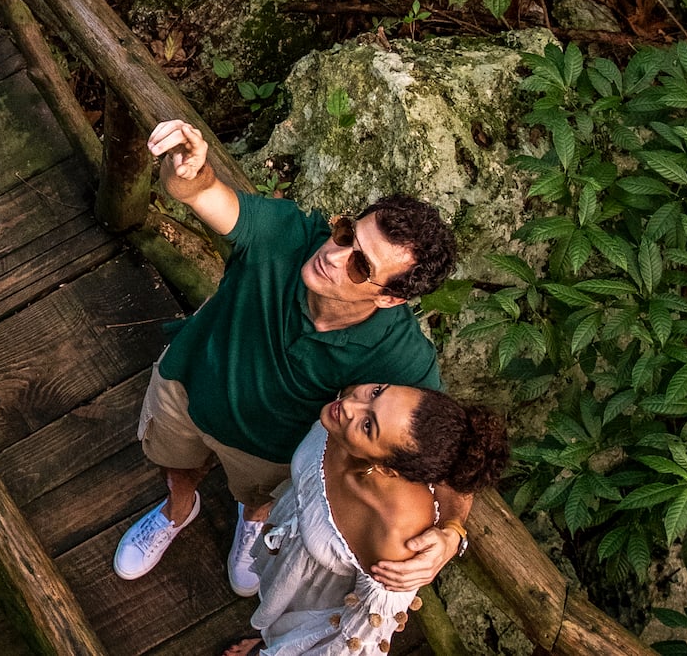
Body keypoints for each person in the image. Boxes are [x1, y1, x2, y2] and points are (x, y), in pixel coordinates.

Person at [112, 118, 469, 598]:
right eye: (346, 234)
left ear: (389, 298)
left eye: (361, 265)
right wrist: (187, 170)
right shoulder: (286, 234)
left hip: (268, 454)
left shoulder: (399, 356)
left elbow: (456, 456)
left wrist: (452, 533)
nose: (335, 255)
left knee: (258, 498)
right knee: (174, 462)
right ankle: (178, 509)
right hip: (188, 383)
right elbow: (205, 193)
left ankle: (252, 517)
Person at [226, 383, 509, 655]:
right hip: (291, 548)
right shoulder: (370, 410)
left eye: (367, 425)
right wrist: (454, 530)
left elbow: (351, 641)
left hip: (318, 597)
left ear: (388, 470)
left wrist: (453, 534)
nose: (349, 404)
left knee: (290, 634)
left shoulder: (396, 538)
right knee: (274, 603)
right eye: (376, 391)